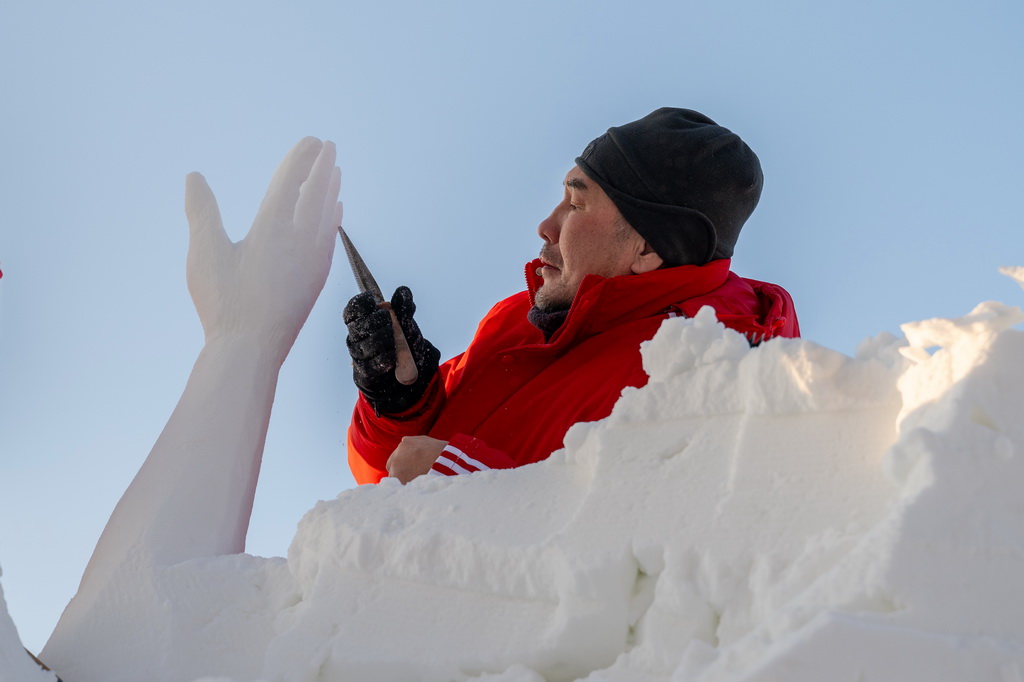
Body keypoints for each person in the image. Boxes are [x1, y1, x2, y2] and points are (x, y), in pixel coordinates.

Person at [344, 108, 800, 485]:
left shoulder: (718, 371)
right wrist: (399, 404)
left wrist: (472, 489)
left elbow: (661, 557)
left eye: (576, 205)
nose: (545, 226)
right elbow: (388, 485)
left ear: (647, 249)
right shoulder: (519, 320)